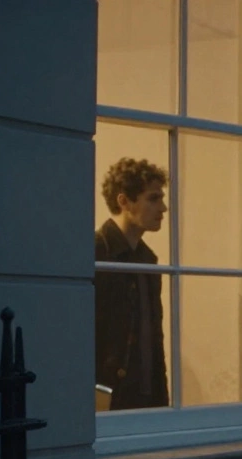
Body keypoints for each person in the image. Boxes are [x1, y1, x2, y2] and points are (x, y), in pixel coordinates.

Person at [94, 157, 170, 411]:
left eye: (161, 198)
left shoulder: (147, 259)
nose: (163, 208)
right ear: (124, 201)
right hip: (105, 398)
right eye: (153, 198)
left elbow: (152, 339)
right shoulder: (95, 252)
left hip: (143, 399)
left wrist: (161, 402)